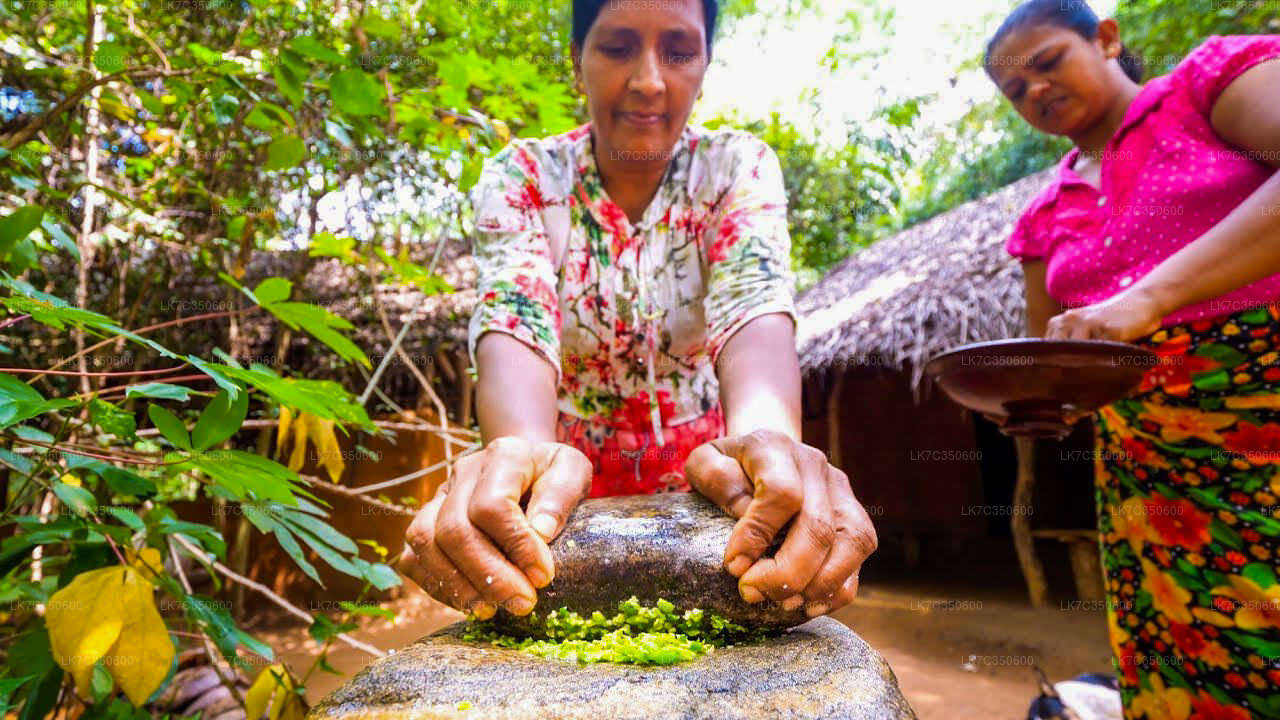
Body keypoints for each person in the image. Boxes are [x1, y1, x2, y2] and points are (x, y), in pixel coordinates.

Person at [397, 0, 878, 624]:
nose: (650, 79)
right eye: (618, 47)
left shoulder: (736, 168)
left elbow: (752, 313)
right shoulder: (524, 177)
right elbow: (515, 319)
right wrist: (521, 457)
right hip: (563, 499)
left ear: (704, 66)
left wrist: (772, 451)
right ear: (577, 62)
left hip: (714, 493)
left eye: (679, 51)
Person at [986, 2, 1280, 717]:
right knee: (1176, 651)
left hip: (1264, 429)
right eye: (1015, 91)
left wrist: (1148, 298)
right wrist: (1029, 404)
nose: (1035, 93)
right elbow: (1051, 361)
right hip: (1146, 476)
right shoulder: (1043, 216)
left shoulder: (1209, 86)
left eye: (1047, 63)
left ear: (1107, 38)